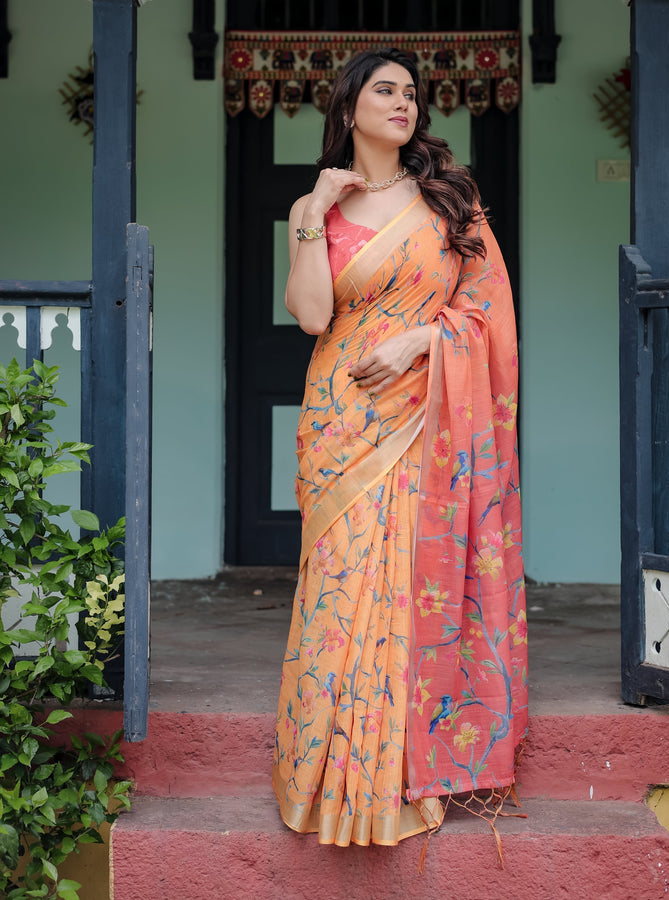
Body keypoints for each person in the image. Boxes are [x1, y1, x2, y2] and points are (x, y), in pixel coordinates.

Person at [273, 47, 527, 849]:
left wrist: (424, 337)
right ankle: (323, 781)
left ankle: (393, 778)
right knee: (339, 592)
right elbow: (312, 315)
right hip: (340, 420)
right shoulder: (314, 210)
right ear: (350, 107)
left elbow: (486, 316)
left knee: (402, 585)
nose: (403, 103)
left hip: (426, 414)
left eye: (411, 93)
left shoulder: (452, 202)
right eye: (385, 91)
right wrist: (316, 202)